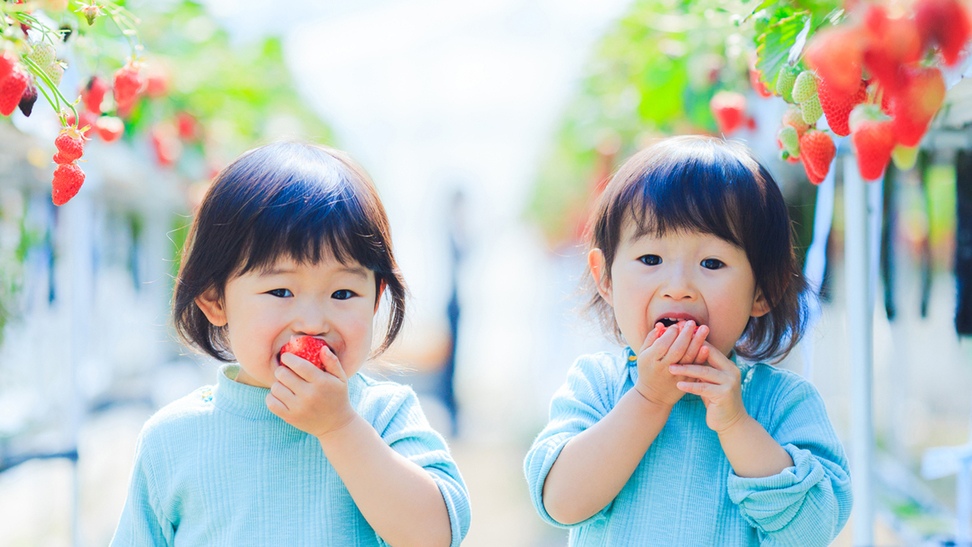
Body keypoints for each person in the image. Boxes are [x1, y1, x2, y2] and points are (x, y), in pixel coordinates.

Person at [110, 141, 470, 547]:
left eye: (343, 293)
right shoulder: (173, 438)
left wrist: (340, 427)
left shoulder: (382, 416)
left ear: (375, 299)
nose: (313, 323)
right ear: (215, 299)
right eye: (281, 291)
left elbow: (435, 534)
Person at [524, 135, 852, 546]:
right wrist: (648, 399)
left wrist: (735, 423)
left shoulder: (783, 403)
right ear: (605, 277)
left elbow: (812, 529)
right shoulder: (598, 386)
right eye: (651, 260)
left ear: (763, 290)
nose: (677, 288)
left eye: (712, 262)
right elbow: (562, 503)